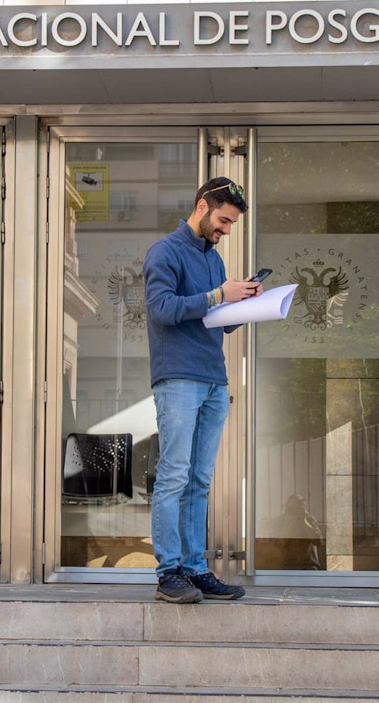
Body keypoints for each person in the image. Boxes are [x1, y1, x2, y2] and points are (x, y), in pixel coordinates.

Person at [143, 177, 261, 603]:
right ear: (202, 206)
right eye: (223, 221)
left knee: (199, 480)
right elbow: (162, 309)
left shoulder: (214, 260)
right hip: (177, 378)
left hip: (214, 379)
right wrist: (217, 295)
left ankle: (194, 569)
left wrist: (244, 302)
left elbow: (222, 321)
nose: (226, 230)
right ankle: (167, 572)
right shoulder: (165, 252)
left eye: (231, 225)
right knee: (173, 476)